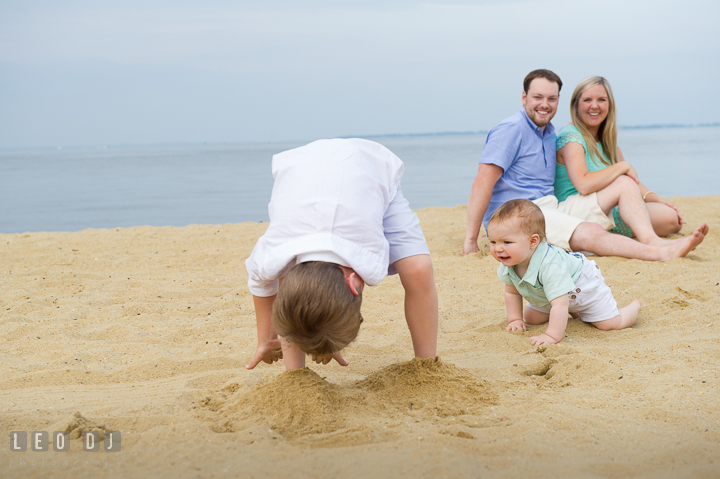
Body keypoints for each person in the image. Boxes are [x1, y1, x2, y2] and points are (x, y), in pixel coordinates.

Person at [463, 69, 708, 261]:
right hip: (516, 215)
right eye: (537, 97)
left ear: (559, 100)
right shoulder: (511, 129)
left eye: (551, 98)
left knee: (604, 216)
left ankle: (651, 241)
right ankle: (659, 252)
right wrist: (471, 239)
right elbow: (482, 181)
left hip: (549, 207)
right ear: (524, 97)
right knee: (590, 232)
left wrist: (655, 197)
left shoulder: (547, 133)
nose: (544, 104)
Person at [245, 138, 438, 371]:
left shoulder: (367, 252)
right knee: (295, 291)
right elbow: (261, 283)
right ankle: (295, 372)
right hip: (304, 176)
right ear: (353, 281)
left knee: (417, 269)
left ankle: (427, 365)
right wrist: (266, 339)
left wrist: (330, 322)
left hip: (371, 169)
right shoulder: (272, 256)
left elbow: (263, 286)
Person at [487, 199, 641, 346]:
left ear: (533, 241)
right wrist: (515, 319)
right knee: (532, 318)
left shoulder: (550, 266)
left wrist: (551, 335)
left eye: (507, 242)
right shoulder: (509, 262)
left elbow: (560, 304)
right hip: (549, 294)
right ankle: (574, 311)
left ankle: (633, 307)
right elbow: (512, 293)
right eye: (493, 242)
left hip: (582, 286)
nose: (498, 249)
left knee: (609, 324)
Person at [556, 76, 683, 239]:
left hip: (608, 205)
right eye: (587, 100)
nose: (594, 106)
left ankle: (626, 226)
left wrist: (657, 199)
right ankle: (639, 236)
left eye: (601, 100)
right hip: (580, 209)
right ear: (576, 105)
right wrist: (622, 167)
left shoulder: (606, 138)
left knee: (672, 217)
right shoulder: (571, 136)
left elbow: (631, 179)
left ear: (609, 105)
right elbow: (583, 184)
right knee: (668, 219)